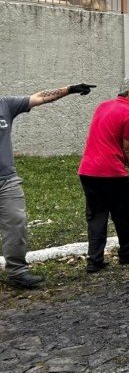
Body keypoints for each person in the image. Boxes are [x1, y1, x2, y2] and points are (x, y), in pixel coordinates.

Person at [1, 83, 96, 288]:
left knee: (17, 222)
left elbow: (40, 97)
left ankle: (17, 271)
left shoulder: (5, 105)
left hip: (6, 180)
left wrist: (70, 89)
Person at [78, 78, 129, 273]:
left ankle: (94, 261)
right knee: (125, 214)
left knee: (96, 216)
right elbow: (128, 150)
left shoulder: (102, 106)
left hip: (87, 171)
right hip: (111, 172)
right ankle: (128, 253)